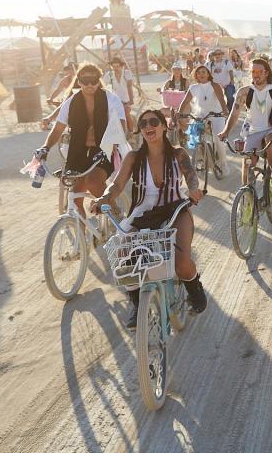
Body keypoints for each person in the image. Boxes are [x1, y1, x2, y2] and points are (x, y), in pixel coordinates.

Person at [92, 108, 207, 328]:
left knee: (181, 264)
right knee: (125, 256)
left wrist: (194, 190)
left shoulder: (178, 154)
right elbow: (116, 186)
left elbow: (192, 178)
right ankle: (137, 304)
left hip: (176, 211)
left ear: (164, 126)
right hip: (142, 214)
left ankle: (195, 289)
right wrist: (103, 199)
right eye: (143, 124)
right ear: (140, 131)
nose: (148, 126)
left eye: (154, 121)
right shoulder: (133, 158)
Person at [34, 64, 129, 220]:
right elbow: (57, 130)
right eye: (85, 81)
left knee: (92, 182)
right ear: (79, 81)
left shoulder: (111, 99)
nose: (90, 85)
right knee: (75, 196)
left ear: (99, 81)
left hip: (104, 151)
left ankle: (117, 217)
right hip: (78, 153)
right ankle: (83, 237)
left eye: (93, 80)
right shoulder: (71, 102)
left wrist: (113, 143)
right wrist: (45, 148)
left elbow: (121, 125)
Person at [218, 58, 272, 201]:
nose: (256, 75)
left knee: (271, 139)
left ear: (266, 73)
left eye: (259, 71)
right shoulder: (244, 92)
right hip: (253, 132)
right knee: (247, 164)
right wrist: (226, 131)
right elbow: (234, 113)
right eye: (253, 71)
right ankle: (247, 201)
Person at [177, 65, 229, 174]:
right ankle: (201, 159)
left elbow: (221, 100)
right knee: (195, 136)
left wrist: (225, 111)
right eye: (199, 72)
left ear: (208, 74)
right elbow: (185, 101)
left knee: (219, 140)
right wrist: (179, 112)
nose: (201, 74)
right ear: (195, 75)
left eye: (204, 72)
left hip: (216, 114)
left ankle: (223, 163)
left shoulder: (215, 86)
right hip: (201, 115)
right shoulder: (193, 88)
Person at [103, 57, 135, 132]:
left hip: (126, 100)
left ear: (121, 66)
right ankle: (118, 133)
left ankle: (131, 133)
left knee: (127, 114)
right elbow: (104, 87)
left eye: (117, 66)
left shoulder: (126, 73)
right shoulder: (109, 75)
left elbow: (129, 87)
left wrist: (131, 100)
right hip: (115, 100)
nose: (115, 68)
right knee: (113, 117)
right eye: (113, 67)